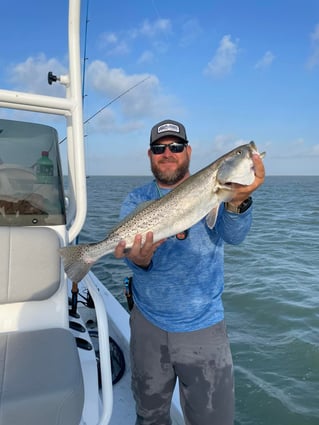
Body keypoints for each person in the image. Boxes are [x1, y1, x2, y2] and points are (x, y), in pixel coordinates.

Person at [114, 119, 265, 425]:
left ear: (189, 151)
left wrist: (237, 202)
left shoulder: (221, 193)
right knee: (150, 415)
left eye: (176, 146)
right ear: (150, 155)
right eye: (159, 148)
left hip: (204, 326)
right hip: (148, 324)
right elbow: (130, 257)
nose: (167, 153)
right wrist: (139, 260)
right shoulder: (137, 199)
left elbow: (234, 237)